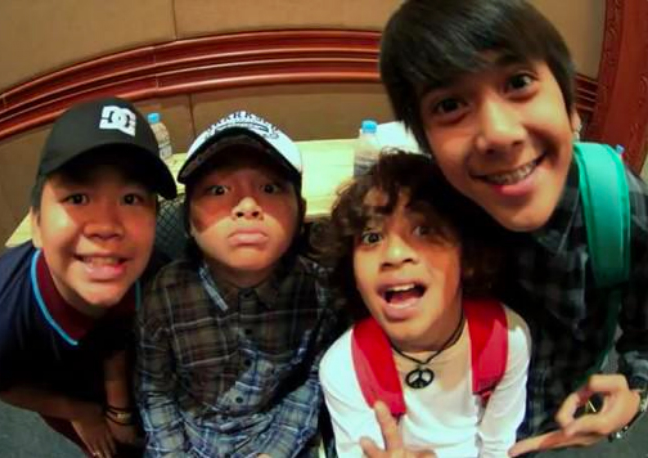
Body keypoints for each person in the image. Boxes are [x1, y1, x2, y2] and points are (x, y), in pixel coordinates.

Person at [378, 0, 648, 455]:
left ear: (571, 108)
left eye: (519, 82)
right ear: (427, 143)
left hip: (557, 430)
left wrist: (635, 392)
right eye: (450, 105)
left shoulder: (614, 202)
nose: (500, 134)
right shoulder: (418, 222)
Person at [0, 96, 177, 458]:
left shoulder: (154, 273)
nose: (106, 226)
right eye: (78, 197)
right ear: (36, 224)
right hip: (64, 390)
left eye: (131, 199)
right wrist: (81, 413)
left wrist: (119, 408)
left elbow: (116, 336)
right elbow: (2, 384)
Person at [135, 110, 338, 457]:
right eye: (218, 190)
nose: (247, 206)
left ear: (300, 212)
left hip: (279, 437)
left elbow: (312, 379)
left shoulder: (318, 291)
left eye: (269, 188)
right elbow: (154, 391)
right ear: (187, 221)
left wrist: (276, 451)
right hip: (191, 440)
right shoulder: (164, 294)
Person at [319, 151, 531, 457]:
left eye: (424, 230)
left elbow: (498, 448)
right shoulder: (345, 367)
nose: (394, 255)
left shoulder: (506, 338)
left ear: (468, 255)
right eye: (372, 237)